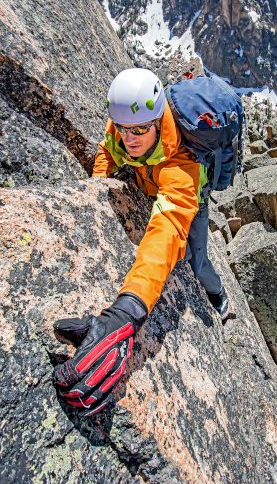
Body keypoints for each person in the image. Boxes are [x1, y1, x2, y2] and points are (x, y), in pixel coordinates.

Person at [53, 68, 229, 416]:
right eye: (122, 128)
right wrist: (96, 189)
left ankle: (218, 295)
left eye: (139, 130)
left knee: (196, 259)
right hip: (151, 183)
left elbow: (165, 232)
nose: (128, 138)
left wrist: (127, 313)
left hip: (188, 198)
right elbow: (108, 149)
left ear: (155, 120)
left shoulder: (183, 165)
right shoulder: (126, 123)